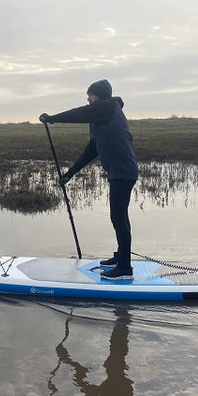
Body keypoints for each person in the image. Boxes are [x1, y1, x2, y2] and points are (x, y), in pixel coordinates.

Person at [39, 79, 138, 281]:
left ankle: (125, 269)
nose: (88, 98)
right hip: (120, 172)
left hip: (123, 172)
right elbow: (91, 150)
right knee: (118, 217)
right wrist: (70, 173)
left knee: (118, 218)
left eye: (91, 94)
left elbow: (79, 112)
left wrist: (52, 119)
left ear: (100, 95)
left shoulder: (107, 107)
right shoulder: (102, 116)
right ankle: (121, 258)